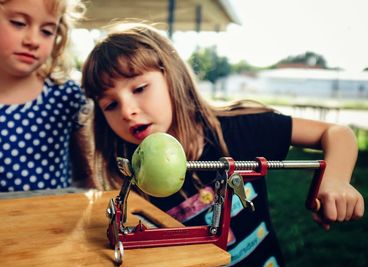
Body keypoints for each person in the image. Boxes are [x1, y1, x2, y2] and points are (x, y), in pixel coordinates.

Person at [81, 22, 365, 266]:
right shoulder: (129, 178)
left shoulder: (237, 130)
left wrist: (335, 180)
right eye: (110, 104)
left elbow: (337, 132)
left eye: (140, 88)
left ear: (172, 78)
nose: (127, 110)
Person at [0, 0, 95, 194]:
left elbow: (87, 173)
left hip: (58, 221)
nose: (33, 41)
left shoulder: (65, 95)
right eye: (19, 23)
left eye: (46, 31)